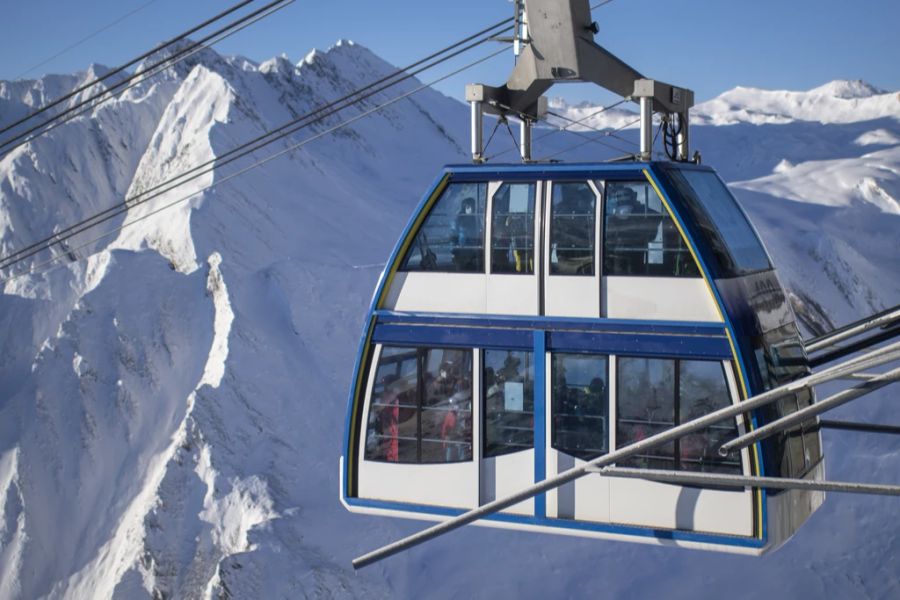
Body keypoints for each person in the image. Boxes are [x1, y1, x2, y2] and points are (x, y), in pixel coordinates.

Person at [451, 197, 482, 271]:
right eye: (468, 207)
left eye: (472, 207)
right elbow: (453, 235)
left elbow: (480, 231)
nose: (470, 209)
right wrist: (454, 250)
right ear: (464, 207)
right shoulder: (459, 219)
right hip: (462, 250)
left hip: (473, 251)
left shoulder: (476, 218)